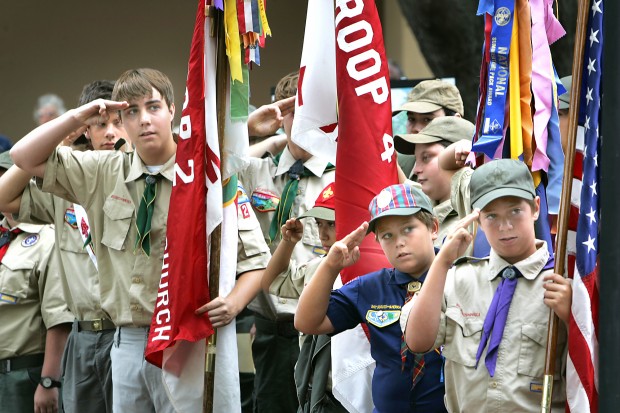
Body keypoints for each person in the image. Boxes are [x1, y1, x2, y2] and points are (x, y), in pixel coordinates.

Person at [12, 68, 179, 412]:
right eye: (129, 112)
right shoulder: (95, 173)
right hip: (113, 335)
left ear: (172, 111)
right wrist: (72, 121)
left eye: (152, 108)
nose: (141, 120)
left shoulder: (187, 173)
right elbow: (22, 157)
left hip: (172, 333)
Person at [402, 159, 570, 412]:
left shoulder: (561, 283)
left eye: (515, 211)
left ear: (536, 208)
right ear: (477, 219)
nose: (505, 226)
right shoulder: (458, 278)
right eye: (491, 216)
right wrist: (441, 263)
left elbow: (594, 373)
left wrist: (572, 316)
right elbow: (418, 342)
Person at [0, 80, 126, 413]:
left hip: (130, 334)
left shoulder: (144, 180)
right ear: (87, 130)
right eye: (100, 124)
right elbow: (3, 197)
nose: (110, 133)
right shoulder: (67, 183)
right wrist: (61, 139)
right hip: (83, 337)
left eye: (118, 122)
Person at [295, 184, 447, 413]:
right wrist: (330, 267)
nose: (399, 242)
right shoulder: (370, 287)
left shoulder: (459, 278)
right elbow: (307, 322)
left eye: (408, 229)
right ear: (377, 241)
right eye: (387, 235)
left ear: (433, 227)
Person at [238, 70, 335, 413]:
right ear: (280, 117)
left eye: (316, 112)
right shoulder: (255, 172)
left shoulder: (343, 176)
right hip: (273, 332)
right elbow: (207, 162)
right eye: (295, 111)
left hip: (329, 329)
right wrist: (247, 128)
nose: (305, 122)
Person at [261, 182, 346, 413]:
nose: (322, 233)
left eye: (331, 224)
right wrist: (288, 243)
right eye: (319, 224)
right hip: (314, 389)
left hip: (348, 390)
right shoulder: (317, 267)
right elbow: (272, 282)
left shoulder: (368, 273)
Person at [0, 151, 74, 413]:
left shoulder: (49, 239)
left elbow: (59, 320)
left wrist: (49, 380)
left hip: (24, 374)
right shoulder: (4, 238)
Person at [395, 116, 475, 248]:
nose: (415, 170)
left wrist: (464, 148)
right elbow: (407, 188)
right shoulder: (427, 204)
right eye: (416, 159)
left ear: (461, 156)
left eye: (426, 158)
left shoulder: (473, 210)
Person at [393, 79, 464, 179]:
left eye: (427, 119)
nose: (416, 129)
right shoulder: (397, 164)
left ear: (456, 121)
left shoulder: (475, 165)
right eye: (411, 119)